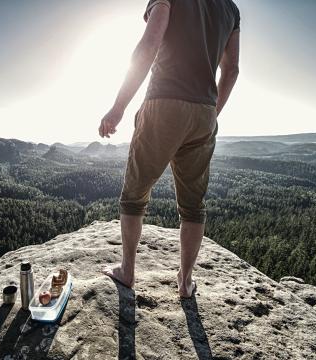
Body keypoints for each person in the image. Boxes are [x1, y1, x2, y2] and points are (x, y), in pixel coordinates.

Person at [99, 0, 240, 298]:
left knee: (134, 195)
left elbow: (149, 45)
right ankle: (185, 281)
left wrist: (118, 107)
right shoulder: (230, 9)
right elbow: (231, 70)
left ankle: (127, 271)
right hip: (204, 112)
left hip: (164, 100)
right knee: (192, 205)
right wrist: (212, 112)